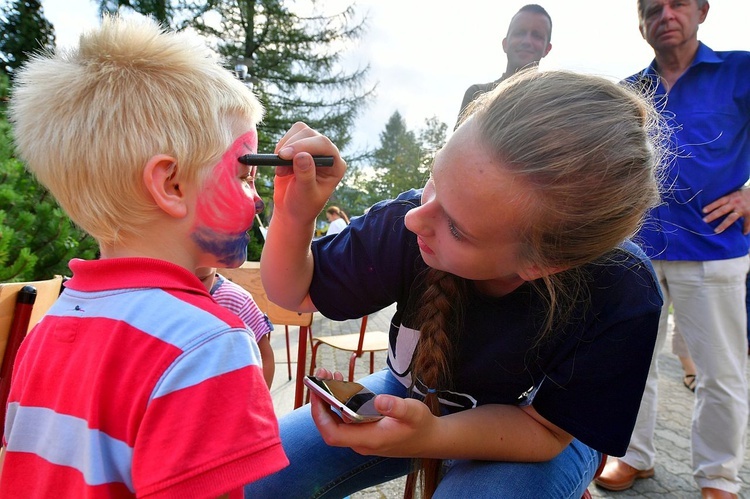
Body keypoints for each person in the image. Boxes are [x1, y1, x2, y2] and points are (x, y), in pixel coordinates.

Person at [244, 69, 664, 498]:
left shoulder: (620, 289)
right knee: (255, 479)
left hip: (536, 431)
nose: (415, 218)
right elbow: (294, 290)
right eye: (434, 179)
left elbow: (546, 433)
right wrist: (295, 214)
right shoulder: (410, 221)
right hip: (409, 396)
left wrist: (429, 437)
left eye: (459, 230)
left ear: (542, 264)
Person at [0, 15, 288, 496]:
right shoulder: (208, 344)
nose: (257, 198)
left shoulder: (50, 327)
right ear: (171, 184)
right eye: (244, 175)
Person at [595, 1, 750, 498]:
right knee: (631, 362)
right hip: (638, 249)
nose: (665, 14)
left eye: (678, 2)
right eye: (651, 7)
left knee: (720, 372)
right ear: (640, 21)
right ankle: (634, 457)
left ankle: (718, 478)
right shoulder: (625, 92)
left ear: (703, 10)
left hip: (714, 247)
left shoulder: (740, 71)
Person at [455, 4, 552, 127]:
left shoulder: (552, 102)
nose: (527, 41)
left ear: (547, 49)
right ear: (505, 44)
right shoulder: (477, 93)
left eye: (537, 35)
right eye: (519, 33)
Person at [197, 267, 276, 388]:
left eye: (201, 279)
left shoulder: (234, 300)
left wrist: (258, 403)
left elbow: (265, 358)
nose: (191, 287)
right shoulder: (161, 298)